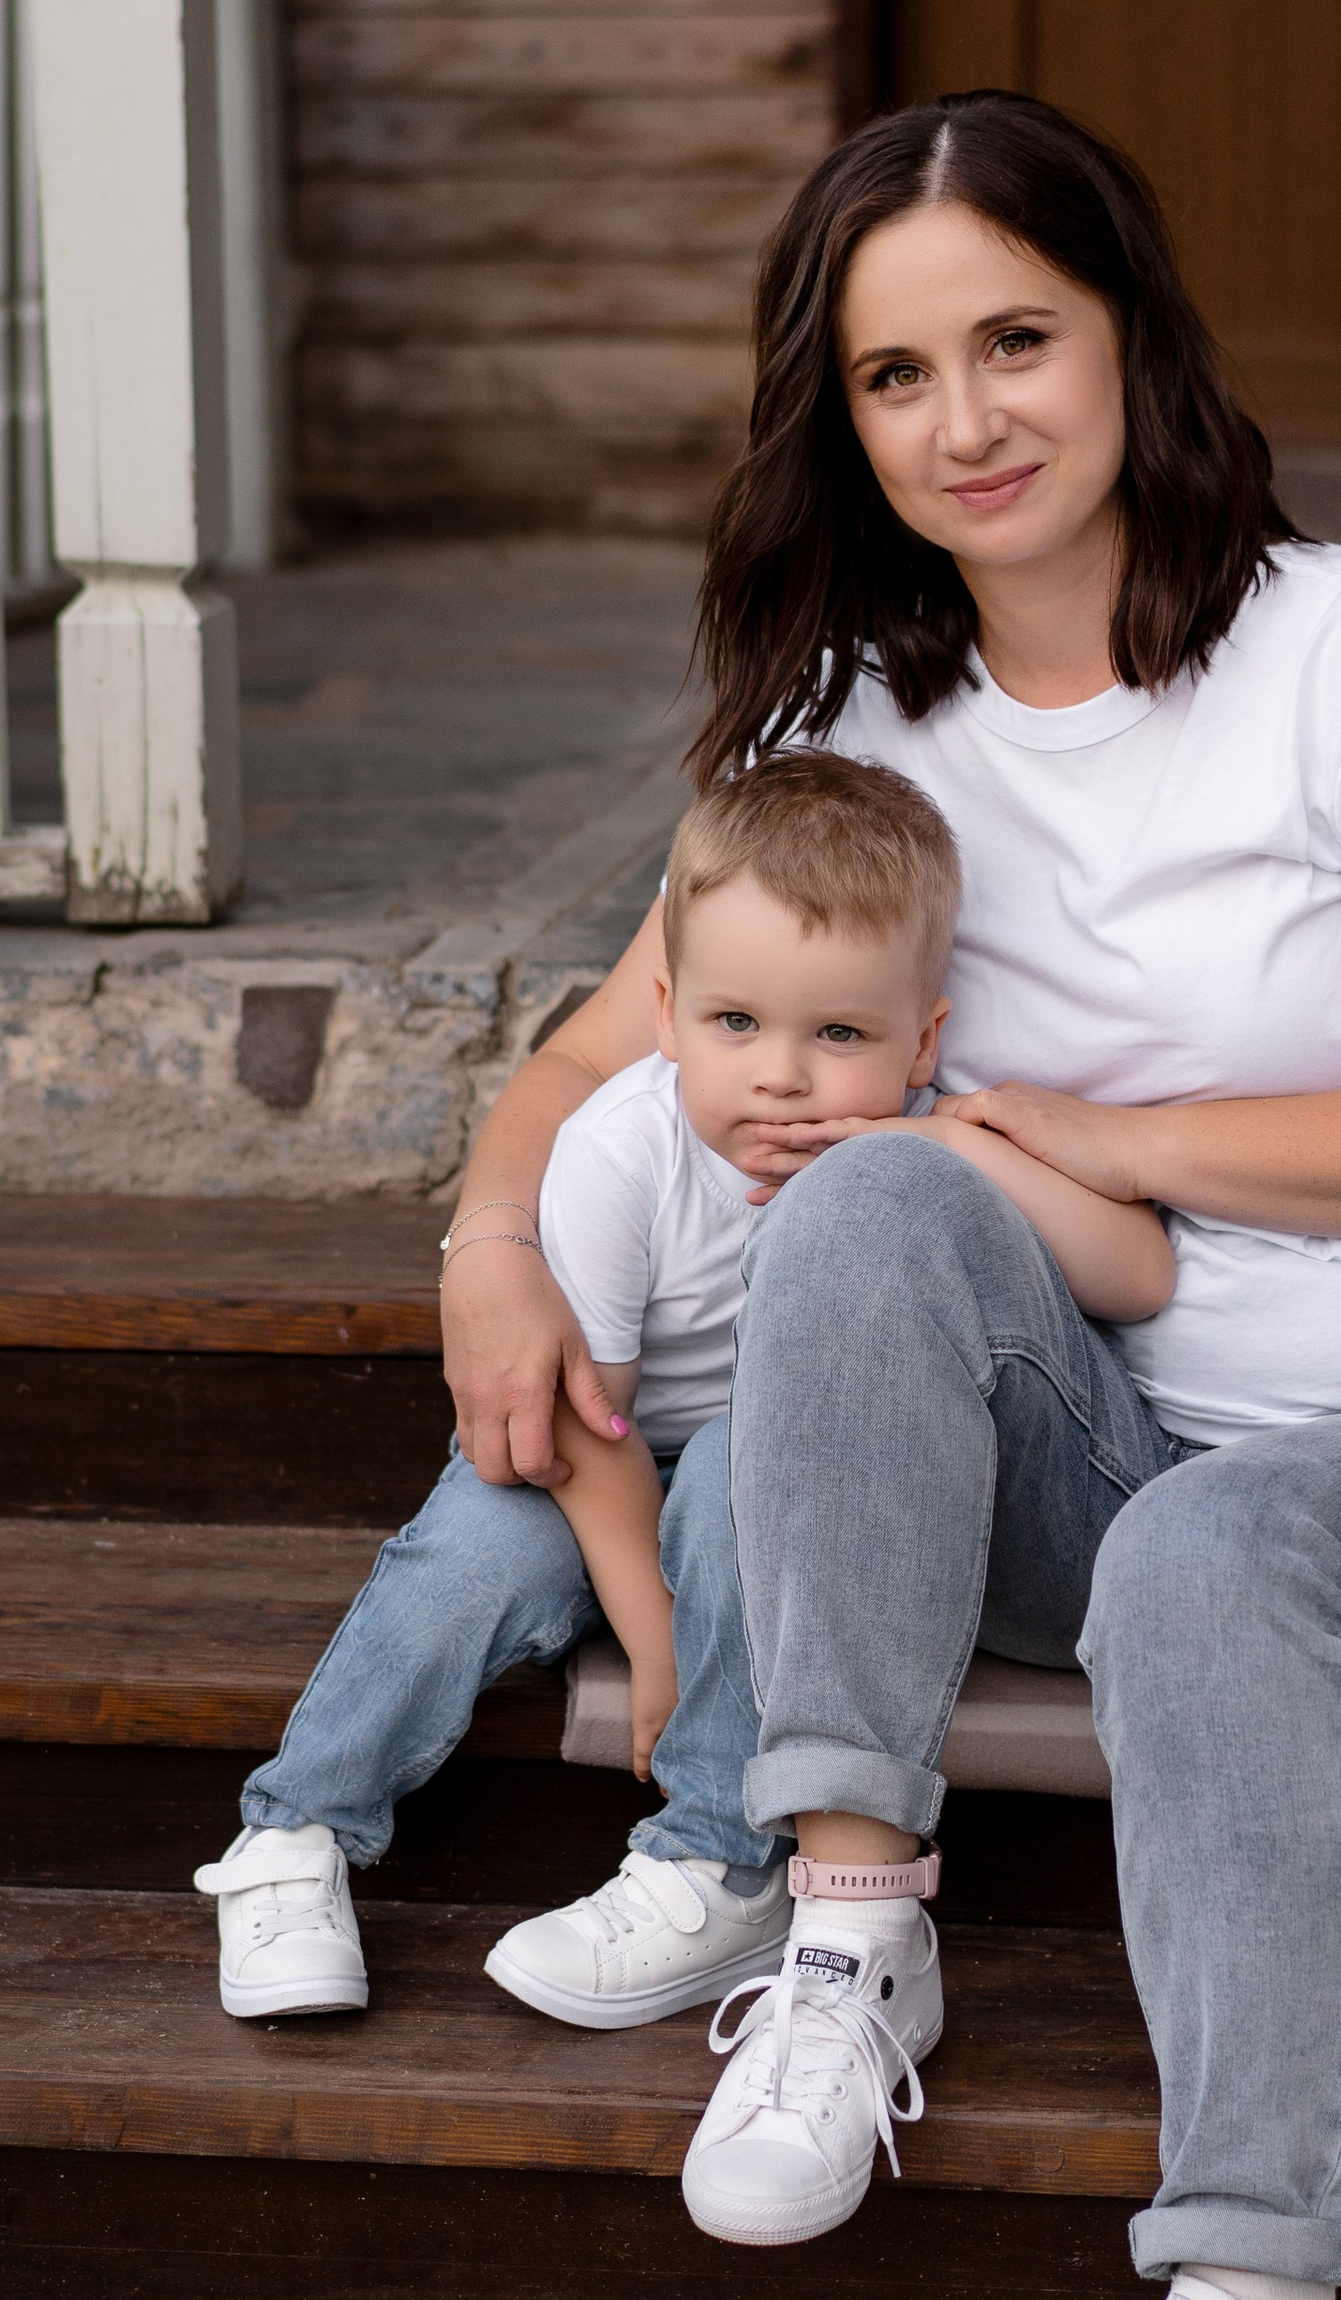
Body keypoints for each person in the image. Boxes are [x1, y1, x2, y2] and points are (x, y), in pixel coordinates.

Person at [438, 90, 1341, 2300]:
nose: (963, 419)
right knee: (873, 1194)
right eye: (894, 373)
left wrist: (1106, 1137)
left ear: (1128, 338)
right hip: (1068, 1455)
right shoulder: (848, 727)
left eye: (1013, 341)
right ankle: (848, 1931)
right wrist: (490, 1239)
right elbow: (599, 1052)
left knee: (1197, 1540)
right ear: (838, 418)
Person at [192, 747, 1170, 2032]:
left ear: (921, 1039)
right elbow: (586, 1419)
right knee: (466, 1560)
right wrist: (655, 1639)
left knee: (729, 1473)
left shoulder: (923, 1157)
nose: (781, 1074)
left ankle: (710, 1856)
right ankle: (296, 1831)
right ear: (665, 1014)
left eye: (839, 1034)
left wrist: (944, 1144)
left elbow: (1139, 1270)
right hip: (589, 1452)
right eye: (735, 1024)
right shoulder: (622, 1150)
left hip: (759, 1479)